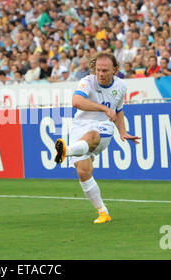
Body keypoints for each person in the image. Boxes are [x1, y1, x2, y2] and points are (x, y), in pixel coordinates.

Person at [54, 52, 141, 224]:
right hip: (80, 125)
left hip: (104, 126)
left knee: (92, 136)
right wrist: (102, 108)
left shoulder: (121, 86)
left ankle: (67, 151)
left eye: (105, 70)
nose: (101, 74)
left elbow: (118, 109)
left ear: (115, 70)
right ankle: (103, 212)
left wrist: (122, 132)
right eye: (98, 70)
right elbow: (76, 101)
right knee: (83, 172)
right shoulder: (87, 81)